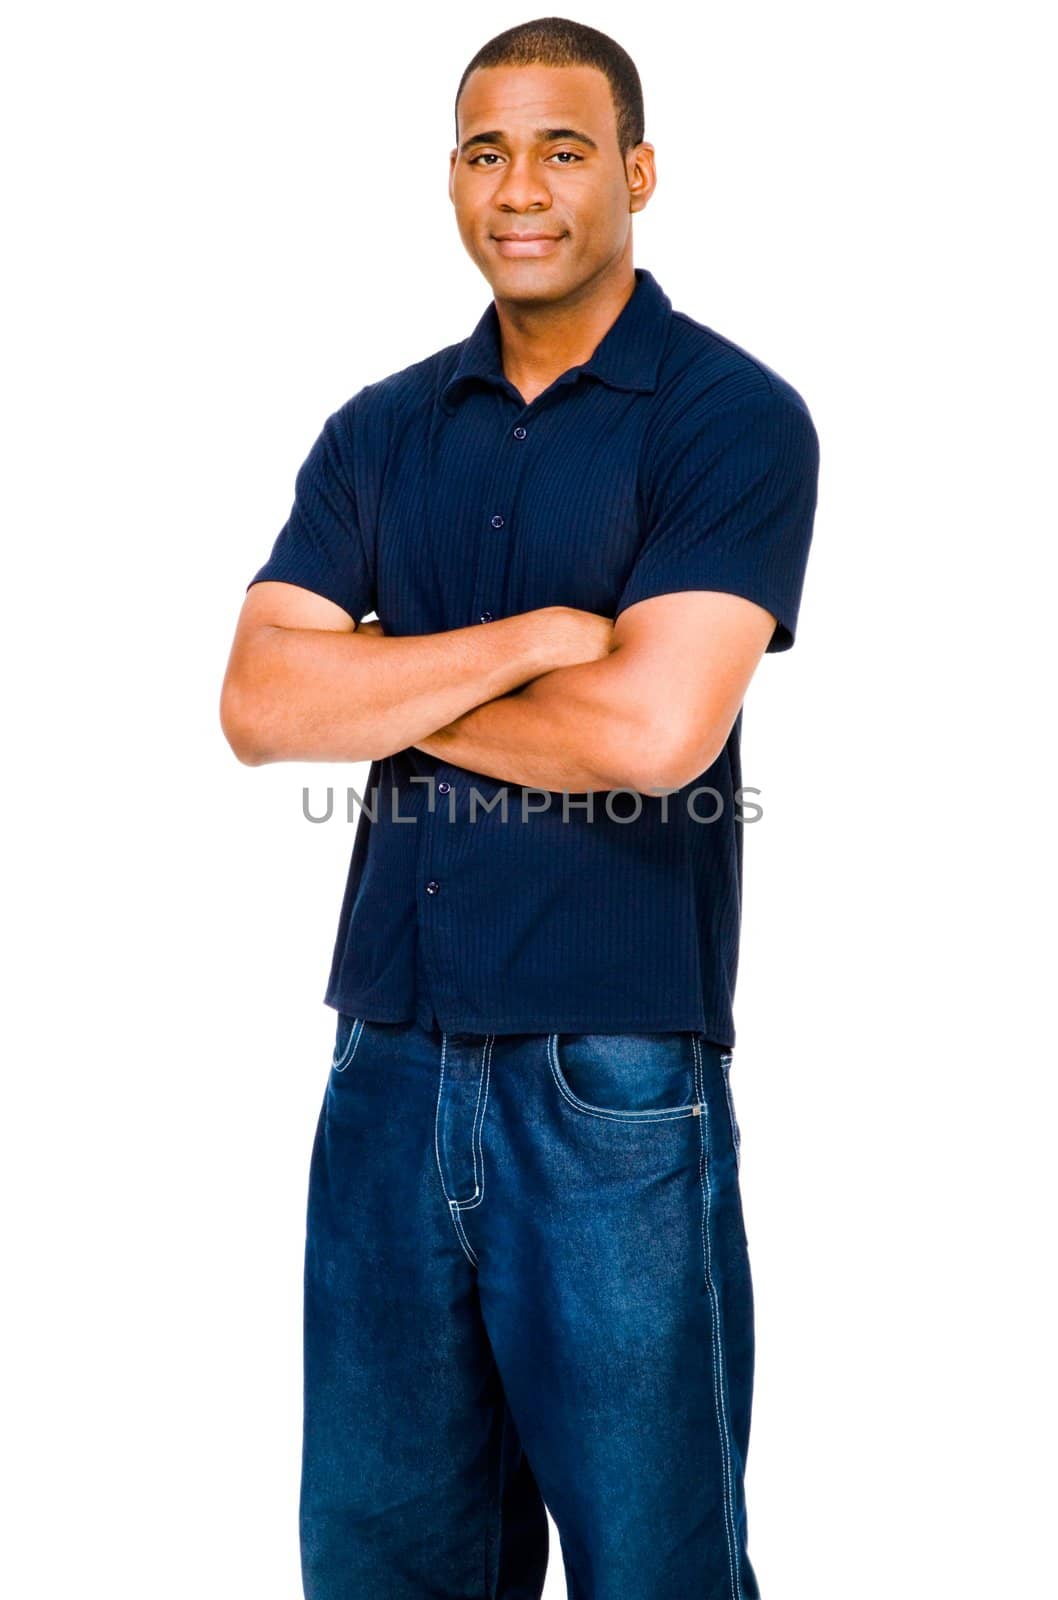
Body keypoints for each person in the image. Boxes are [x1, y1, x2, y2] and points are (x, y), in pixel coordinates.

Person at [220, 16, 819, 1599]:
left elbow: (648, 733)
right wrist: (532, 642)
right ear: (450, 180)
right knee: (380, 1564)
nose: (521, 186)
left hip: (612, 1083)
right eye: (487, 150)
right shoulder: (380, 429)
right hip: (385, 1068)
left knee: (654, 1567)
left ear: (634, 170)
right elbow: (259, 707)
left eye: (562, 147)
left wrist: (390, 684)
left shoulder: (728, 418)